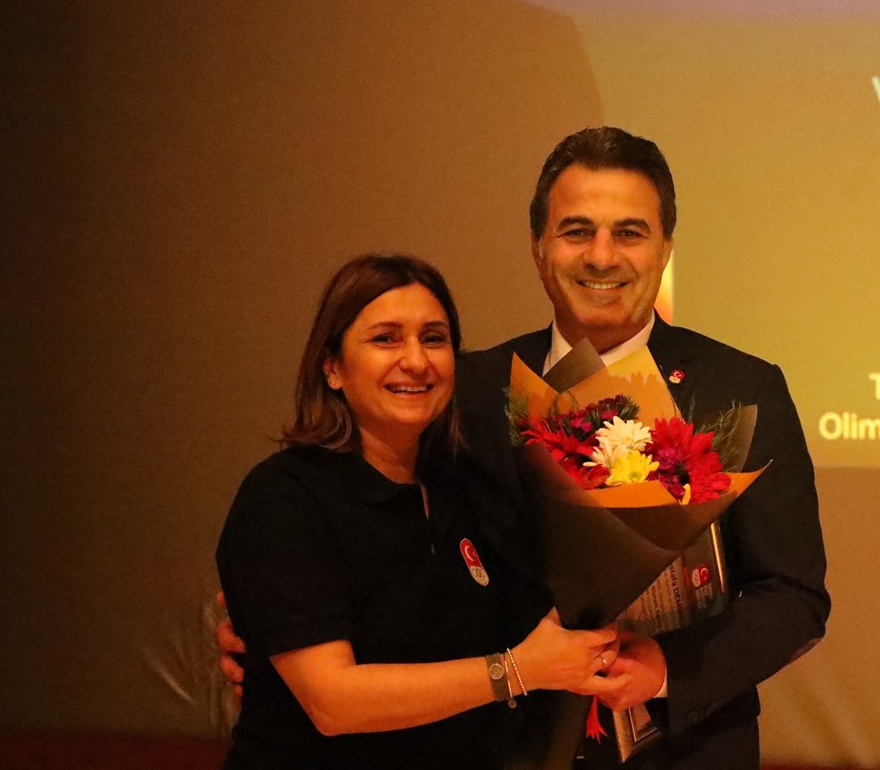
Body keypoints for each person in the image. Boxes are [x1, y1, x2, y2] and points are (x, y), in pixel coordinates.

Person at [219, 129, 830, 769]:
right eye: (576, 231)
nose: (602, 256)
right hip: (499, 749)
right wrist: (271, 617)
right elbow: (374, 539)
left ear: (665, 248)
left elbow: (794, 596)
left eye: (629, 233)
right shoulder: (465, 390)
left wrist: (666, 669)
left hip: (686, 750)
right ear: (539, 249)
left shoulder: (741, 390)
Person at [215, 253, 623, 770]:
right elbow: (333, 702)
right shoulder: (284, 497)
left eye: (433, 338)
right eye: (385, 339)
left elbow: (533, 617)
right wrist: (515, 671)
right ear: (332, 367)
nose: (416, 360)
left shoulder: (464, 486)